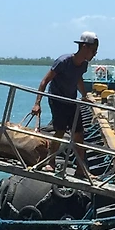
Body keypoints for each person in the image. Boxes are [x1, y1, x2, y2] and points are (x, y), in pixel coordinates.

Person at [32, 31, 100, 175]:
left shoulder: (84, 65)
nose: (94, 54)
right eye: (93, 50)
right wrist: (37, 103)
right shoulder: (63, 61)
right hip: (57, 100)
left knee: (79, 134)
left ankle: (81, 169)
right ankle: (51, 162)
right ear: (84, 47)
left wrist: (84, 95)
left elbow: (78, 79)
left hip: (71, 100)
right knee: (60, 131)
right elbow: (45, 81)